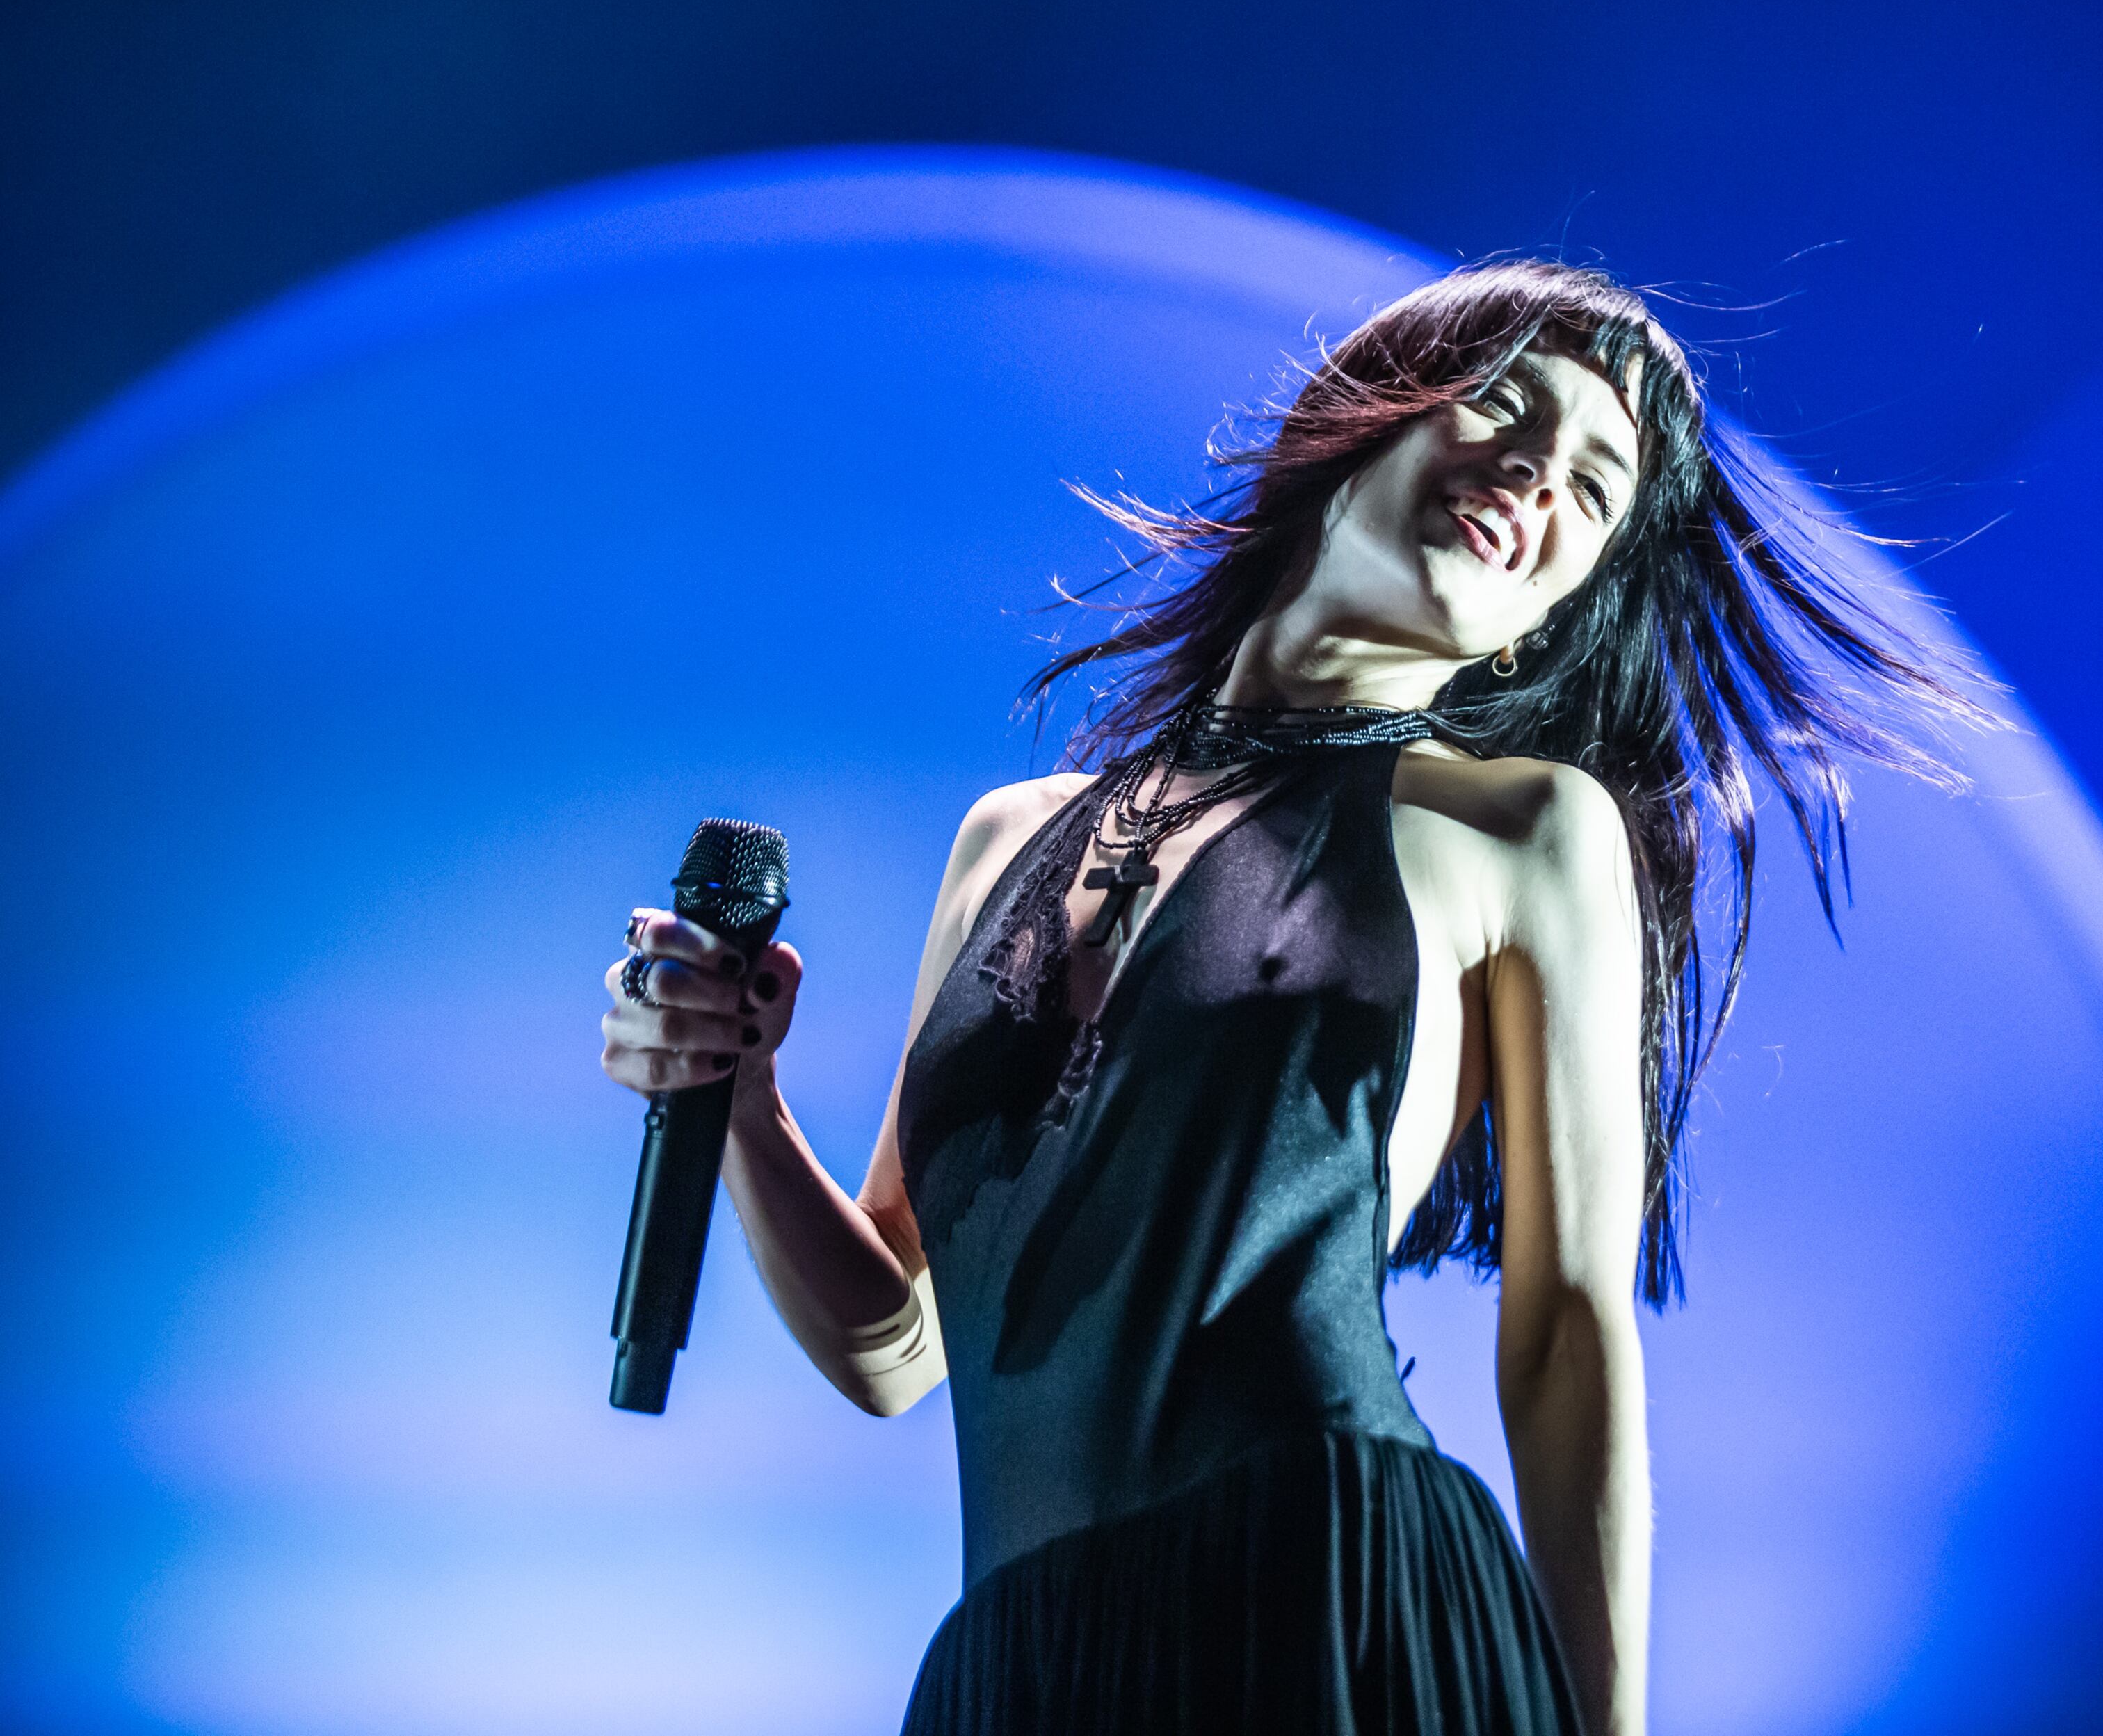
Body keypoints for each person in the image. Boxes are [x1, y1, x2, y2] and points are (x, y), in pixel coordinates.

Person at [598, 259, 1980, 1735]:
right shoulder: (1006, 839)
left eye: (1590, 491)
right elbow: (894, 1346)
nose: (1534, 478)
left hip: (1330, 1590)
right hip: (1020, 1673)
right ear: (1353, 428)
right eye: (1507, 411)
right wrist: (737, 1093)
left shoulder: (1527, 830)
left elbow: (1569, 1326)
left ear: (1539, 622)